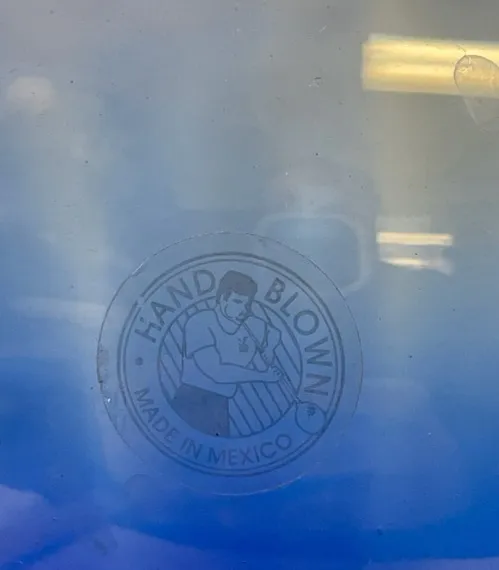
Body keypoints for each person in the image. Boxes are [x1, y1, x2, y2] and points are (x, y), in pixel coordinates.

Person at [170, 270, 283, 437]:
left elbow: (262, 366)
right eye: (237, 302)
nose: (243, 310)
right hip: (191, 402)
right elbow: (216, 372)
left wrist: (270, 346)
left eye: (247, 304)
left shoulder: (252, 327)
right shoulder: (200, 321)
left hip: (220, 406)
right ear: (223, 298)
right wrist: (264, 376)